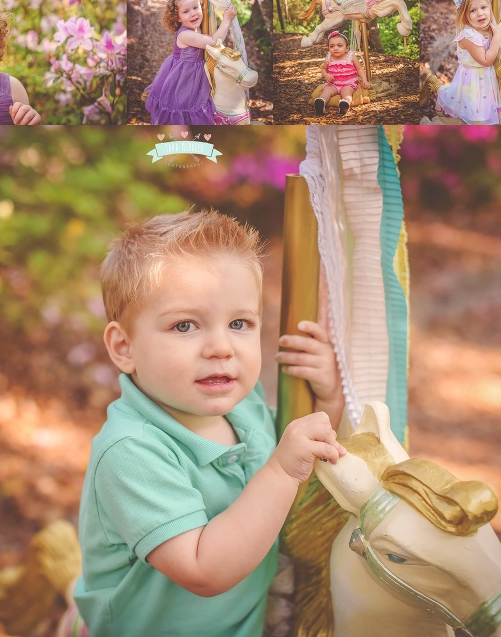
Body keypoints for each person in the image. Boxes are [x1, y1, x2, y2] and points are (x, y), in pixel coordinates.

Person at [74, 209, 346, 637]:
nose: (221, 347)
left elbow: (306, 468)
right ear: (124, 347)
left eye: (239, 323)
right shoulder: (132, 450)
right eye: (185, 325)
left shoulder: (242, 405)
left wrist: (328, 399)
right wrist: (280, 469)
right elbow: (203, 569)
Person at [145, 0, 237, 125]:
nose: (193, 14)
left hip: (196, 73)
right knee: (184, 106)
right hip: (184, 77)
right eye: (186, 11)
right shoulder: (185, 35)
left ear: (201, 7)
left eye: (195, 8)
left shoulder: (197, 27)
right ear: (178, 17)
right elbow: (213, 42)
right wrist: (226, 19)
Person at [436, 0, 501, 124]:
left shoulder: (487, 29)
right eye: (473, 10)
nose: (480, 13)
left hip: (486, 78)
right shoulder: (468, 36)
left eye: (484, 7)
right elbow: (486, 60)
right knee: (478, 116)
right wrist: (497, 35)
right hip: (473, 81)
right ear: (464, 15)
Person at [315, 30, 371, 117]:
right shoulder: (329, 57)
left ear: (347, 48)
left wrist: (365, 80)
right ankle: (321, 102)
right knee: (327, 91)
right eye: (332, 46)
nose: (335, 48)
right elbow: (323, 69)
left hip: (348, 83)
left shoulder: (351, 56)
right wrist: (326, 75)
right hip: (333, 84)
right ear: (328, 48)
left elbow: (359, 69)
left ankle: (344, 104)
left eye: (339, 46)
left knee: (347, 92)